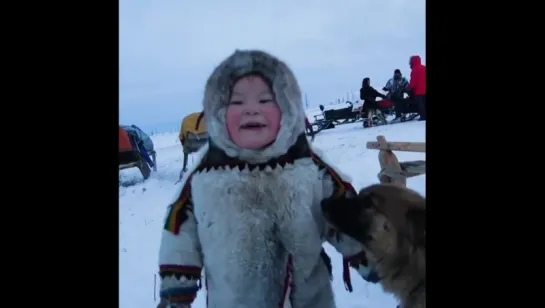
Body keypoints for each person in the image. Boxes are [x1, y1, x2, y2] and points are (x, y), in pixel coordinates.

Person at [157, 50, 378, 308]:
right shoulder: (206, 174)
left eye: (265, 100)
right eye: (236, 102)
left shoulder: (308, 165)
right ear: (217, 113)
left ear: (287, 109)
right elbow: (179, 228)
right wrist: (176, 291)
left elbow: (346, 212)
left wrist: (375, 255)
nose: (251, 110)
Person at [407, 55, 426, 121]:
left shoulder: (414, 70)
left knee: (421, 105)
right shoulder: (424, 67)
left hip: (419, 91)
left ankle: (423, 117)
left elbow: (413, 83)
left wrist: (408, 88)